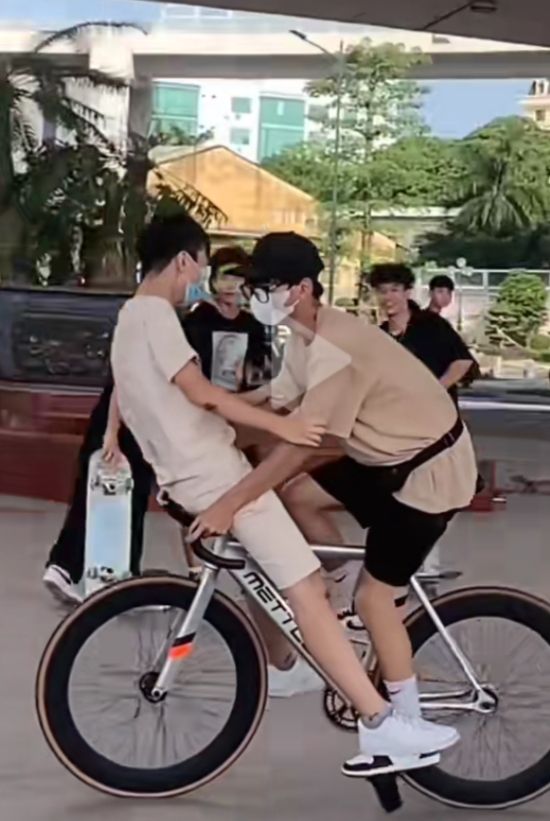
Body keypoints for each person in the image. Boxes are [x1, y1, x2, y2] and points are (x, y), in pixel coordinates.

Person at [110, 215, 458, 779]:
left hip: (420, 471)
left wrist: (239, 480)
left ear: (300, 288)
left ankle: (386, 718)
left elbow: (291, 434)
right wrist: (260, 428)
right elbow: (254, 400)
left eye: (264, 286)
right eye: (251, 284)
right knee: (299, 524)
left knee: (341, 591)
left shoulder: (134, 315)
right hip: (293, 466)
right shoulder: (180, 319)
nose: (246, 292)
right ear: (183, 260)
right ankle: (341, 647)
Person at [43, 374, 154, 605]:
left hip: (121, 418)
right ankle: (115, 577)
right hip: (127, 420)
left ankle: (64, 566)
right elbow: (124, 379)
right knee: (127, 498)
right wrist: (112, 432)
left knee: (93, 495)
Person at [370, 263, 476, 406]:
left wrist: (434, 391)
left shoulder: (432, 324)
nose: (388, 297)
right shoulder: (379, 336)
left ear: (407, 292)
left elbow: (462, 361)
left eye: (394, 290)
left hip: (436, 411)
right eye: (382, 291)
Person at [183, 246, 270, 392]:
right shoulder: (195, 321)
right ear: (212, 280)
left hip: (244, 401)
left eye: (237, 278)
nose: (230, 285)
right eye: (224, 277)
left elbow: (260, 378)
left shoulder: (254, 326)